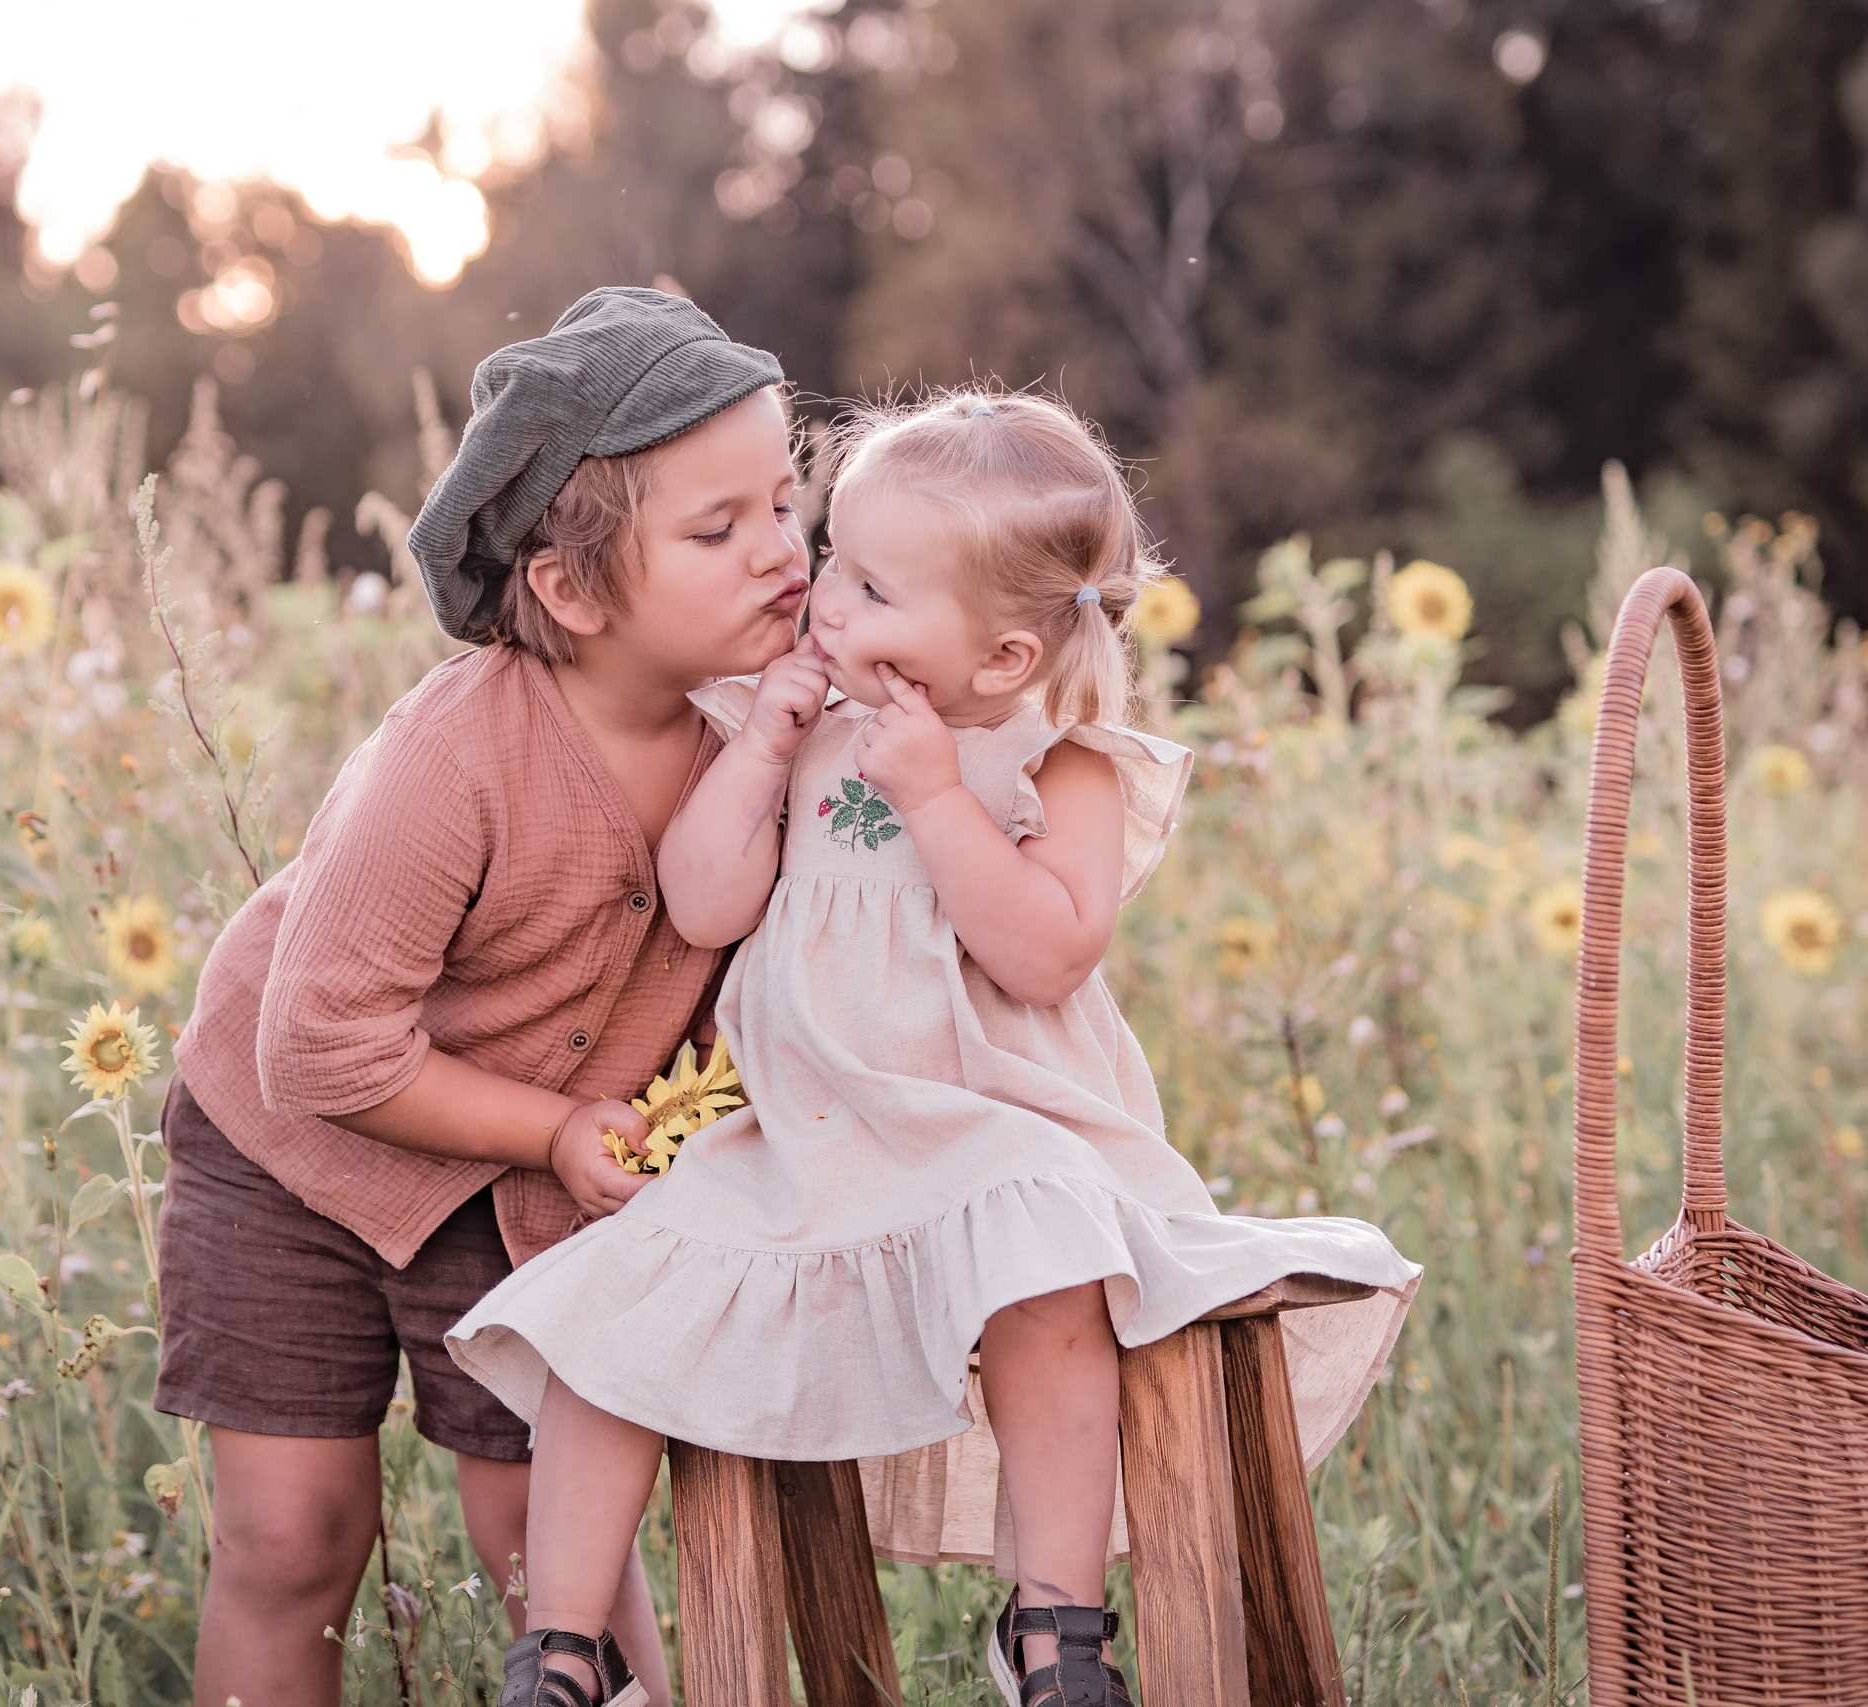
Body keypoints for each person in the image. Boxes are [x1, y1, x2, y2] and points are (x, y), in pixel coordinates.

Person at [451, 389, 1420, 1706]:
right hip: (808, 1141)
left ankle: (1055, 1629)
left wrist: (934, 795)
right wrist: (766, 751)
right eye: (835, 562)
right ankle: (565, 1649)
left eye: (873, 590)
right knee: (618, 1301)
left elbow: (1046, 953)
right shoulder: (799, 731)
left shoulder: (1057, 761)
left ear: (1006, 657)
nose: (825, 601)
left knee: (1050, 1268)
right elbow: (707, 904)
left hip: (997, 1132)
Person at [156, 286, 809, 1707]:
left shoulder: (772, 742)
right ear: (570, 592)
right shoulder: (454, 759)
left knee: (550, 1542)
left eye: (787, 501)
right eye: (719, 529)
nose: (782, 550)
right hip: (293, 1149)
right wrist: (565, 1126)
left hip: (529, 1186)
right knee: (292, 1540)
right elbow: (321, 1045)